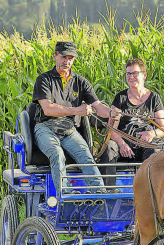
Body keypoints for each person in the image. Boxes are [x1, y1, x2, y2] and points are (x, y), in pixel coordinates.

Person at [32, 41, 120, 194]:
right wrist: (76, 110)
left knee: (86, 155)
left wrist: (112, 113)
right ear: (55, 56)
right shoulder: (44, 80)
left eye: (70, 58)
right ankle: (66, 194)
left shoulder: (80, 82)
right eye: (63, 57)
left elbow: (98, 106)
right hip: (45, 128)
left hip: (68, 129)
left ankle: (99, 193)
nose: (66, 62)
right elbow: (47, 109)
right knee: (56, 153)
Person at [99, 58, 164, 186]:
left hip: (146, 144)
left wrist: (152, 133)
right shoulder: (120, 98)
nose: (131, 77)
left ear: (144, 75)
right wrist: (121, 144)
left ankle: (151, 192)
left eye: (135, 73)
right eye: (128, 74)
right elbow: (111, 129)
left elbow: (163, 128)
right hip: (126, 143)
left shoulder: (154, 98)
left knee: (155, 151)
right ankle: (108, 191)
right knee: (109, 148)